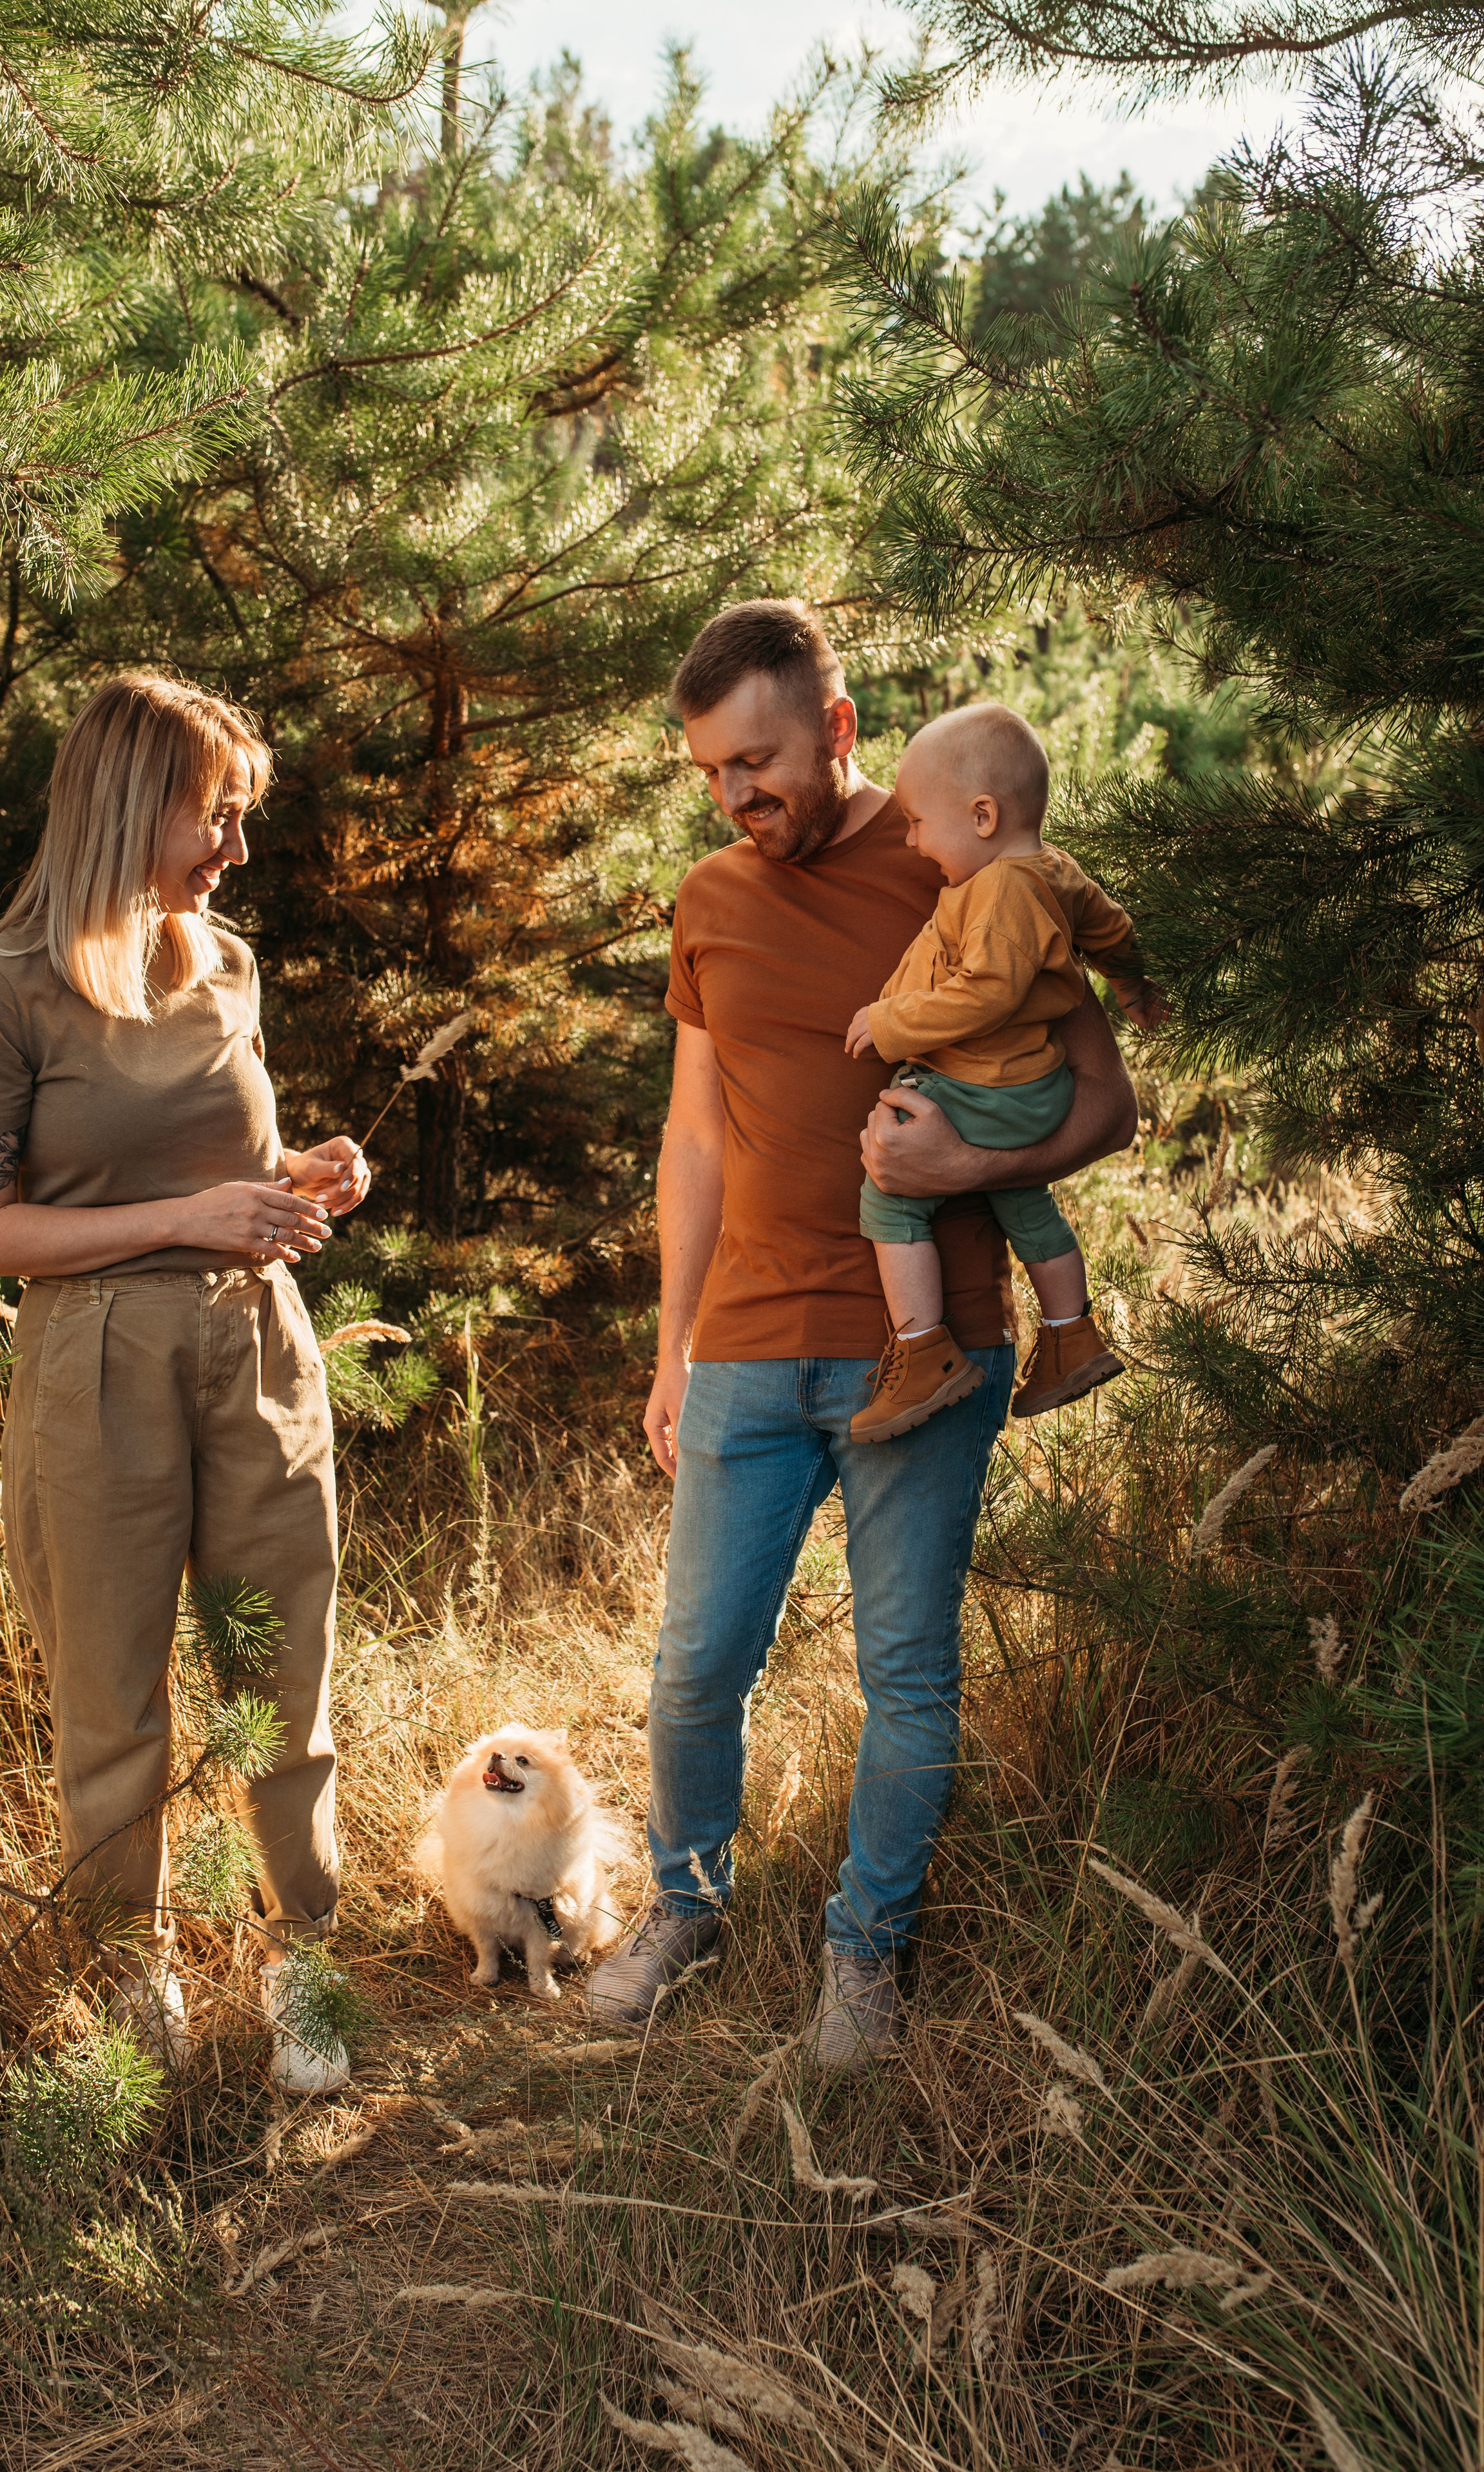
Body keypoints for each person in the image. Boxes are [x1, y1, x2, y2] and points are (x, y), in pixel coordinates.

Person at [586, 602, 1137, 2068]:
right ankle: (686, 1904)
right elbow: (695, 1135)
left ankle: (864, 1950)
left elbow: (1107, 1100)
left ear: (835, 729)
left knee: (906, 1672)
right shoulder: (709, 898)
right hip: (747, 1344)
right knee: (696, 1664)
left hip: (927, 1349)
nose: (734, 795)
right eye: (711, 771)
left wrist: (964, 1163)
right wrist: (671, 1346)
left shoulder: (963, 859)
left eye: (757, 761)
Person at [0, 672, 369, 2094]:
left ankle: (306, 1962)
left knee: (280, 1676)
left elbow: (223, 1164)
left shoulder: (226, 962)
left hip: (256, 1347)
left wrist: (301, 1177)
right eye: (214, 816)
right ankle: (131, 1980)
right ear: (127, 807)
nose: (236, 847)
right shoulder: (4, 991)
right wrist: (189, 1218)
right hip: (93, 1363)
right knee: (113, 1699)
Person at [845, 704, 1163, 1443]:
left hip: (980, 1086)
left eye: (918, 822)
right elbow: (1112, 927)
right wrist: (1130, 983)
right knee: (1026, 1205)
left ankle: (923, 1352)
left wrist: (891, 1023)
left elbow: (985, 993)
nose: (911, 840)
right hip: (1028, 1089)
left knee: (890, 1196)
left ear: (982, 816)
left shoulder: (999, 890)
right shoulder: (1054, 870)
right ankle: (1071, 1337)